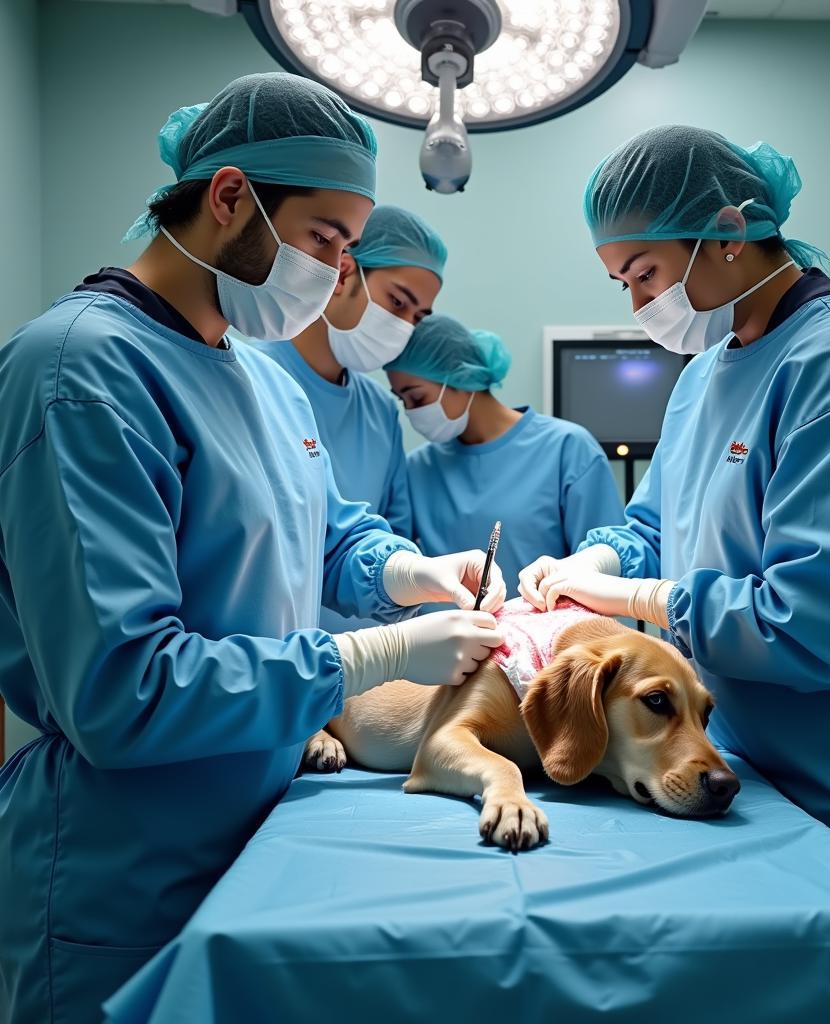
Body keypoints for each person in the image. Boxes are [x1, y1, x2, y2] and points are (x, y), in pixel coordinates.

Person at [0, 73, 506, 1024]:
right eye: (323, 238)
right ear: (229, 196)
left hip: (260, 833)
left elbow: (321, 535)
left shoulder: (260, 381)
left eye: (350, 248)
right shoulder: (79, 369)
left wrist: (410, 573)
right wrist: (378, 654)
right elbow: (122, 689)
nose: (333, 271)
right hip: (128, 873)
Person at [519, 125, 830, 938]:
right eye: (621, 282)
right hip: (741, 760)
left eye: (646, 275)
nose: (638, 304)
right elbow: (657, 523)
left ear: (729, 234)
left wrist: (637, 596)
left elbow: (821, 626)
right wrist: (591, 560)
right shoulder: (707, 373)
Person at [251, 204, 447, 634]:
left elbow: (389, 540)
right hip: (265, 660)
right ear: (342, 271)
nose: (403, 327)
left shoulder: (379, 410)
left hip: (368, 670)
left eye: (416, 318)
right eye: (398, 301)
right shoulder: (249, 377)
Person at [385, 314, 624, 594]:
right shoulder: (418, 468)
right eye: (403, 400)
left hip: (548, 635)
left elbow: (606, 577)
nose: (411, 412)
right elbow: (398, 569)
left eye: (417, 398)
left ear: (460, 377)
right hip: (446, 634)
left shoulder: (567, 450)